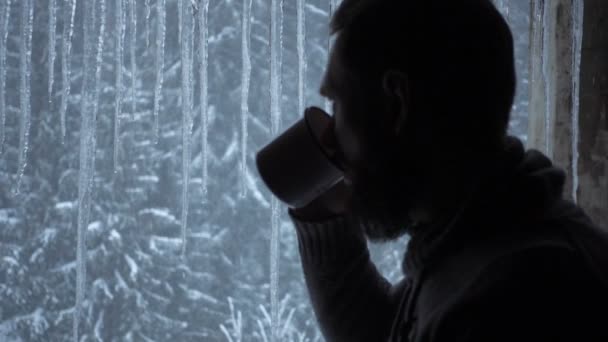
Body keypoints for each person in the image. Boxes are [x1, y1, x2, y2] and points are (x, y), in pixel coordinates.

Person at [286, 0, 608, 341]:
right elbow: (389, 332)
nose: (328, 138)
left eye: (338, 104)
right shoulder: (487, 237)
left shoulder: (513, 298)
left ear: (397, 104)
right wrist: (321, 210)